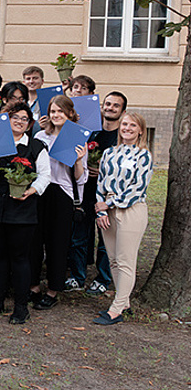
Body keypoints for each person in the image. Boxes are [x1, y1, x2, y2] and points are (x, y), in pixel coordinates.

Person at [0, 102, 51, 325]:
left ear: (29, 124)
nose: (19, 122)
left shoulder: (36, 147)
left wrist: (31, 191)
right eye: (15, 117)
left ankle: (20, 308)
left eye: (24, 119)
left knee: (20, 260)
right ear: (8, 120)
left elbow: (45, 176)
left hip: (23, 212)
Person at [93, 112, 153, 325]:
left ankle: (116, 309)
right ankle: (124, 302)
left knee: (126, 261)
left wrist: (108, 204)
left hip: (130, 210)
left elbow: (137, 188)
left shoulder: (144, 155)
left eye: (132, 125)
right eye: (124, 124)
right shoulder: (109, 152)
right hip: (106, 210)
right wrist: (101, 210)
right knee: (113, 260)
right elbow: (100, 182)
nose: (127, 128)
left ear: (140, 130)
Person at [67, 91, 126, 294]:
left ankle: (103, 278)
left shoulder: (122, 138)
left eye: (115, 106)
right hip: (85, 193)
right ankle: (77, 277)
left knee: (106, 240)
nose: (110, 108)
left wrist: (104, 170)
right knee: (79, 238)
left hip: (108, 198)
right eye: (107, 104)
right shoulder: (92, 133)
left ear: (122, 111)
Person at [32, 95, 88, 310]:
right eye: (53, 111)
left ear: (70, 114)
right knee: (35, 240)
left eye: (60, 112)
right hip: (40, 191)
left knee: (57, 243)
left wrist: (79, 161)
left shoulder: (77, 139)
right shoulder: (40, 137)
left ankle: (53, 290)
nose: (56, 115)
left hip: (62, 193)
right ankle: (33, 285)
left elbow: (79, 178)